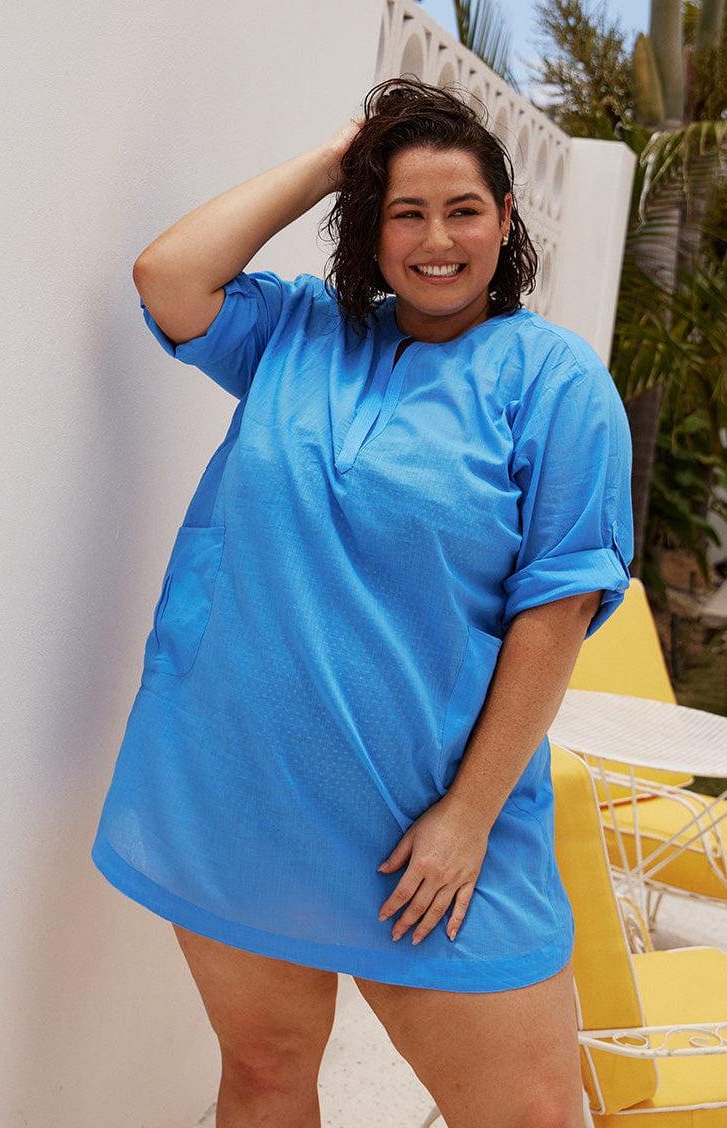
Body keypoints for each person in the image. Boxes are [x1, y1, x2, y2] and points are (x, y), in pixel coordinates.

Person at [93, 78, 633, 1127]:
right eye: (403, 210)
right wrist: (335, 156)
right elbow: (167, 276)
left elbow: (555, 612)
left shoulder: (554, 383)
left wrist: (466, 821)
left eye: (463, 208)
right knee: (261, 1076)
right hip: (239, 799)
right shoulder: (296, 333)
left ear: (505, 220)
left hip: (427, 832)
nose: (437, 238)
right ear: (365, 225)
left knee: (526, 1114)